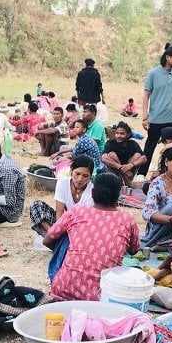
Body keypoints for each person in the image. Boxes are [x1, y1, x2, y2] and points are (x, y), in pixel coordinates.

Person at [44, 173, 140, 301]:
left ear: (92, 192)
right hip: (101, 297)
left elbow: (47, 240)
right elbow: (134, 250)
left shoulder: (77, 211)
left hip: (64, 289)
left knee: (66, 237)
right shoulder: (127, 219)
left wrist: (67, 251)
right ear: (118, 196)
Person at [140, 44, 172, 175]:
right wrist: (144, 117)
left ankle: (169, 174)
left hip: (171, 119)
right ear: (167, 57)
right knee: (149, 148)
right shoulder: (153, 73)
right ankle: (141, 174)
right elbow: (146, 95)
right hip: (155, 118)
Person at [29, 154, 95, 235]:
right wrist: (58, 230)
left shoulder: (92, 190)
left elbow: (86, 218)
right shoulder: (63, 183)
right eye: (77, 174)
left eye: (85, 176)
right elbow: (59, 214)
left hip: (82, 227)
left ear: (90, 177)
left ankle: (59, 240)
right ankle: (53, 235)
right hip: (65, 222)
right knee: (36, 206)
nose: (80, 179)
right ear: (71, 172)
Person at [101, 122, 147, 188]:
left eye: (122, 133)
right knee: (111, 155)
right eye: (117, 133)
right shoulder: (110, 143)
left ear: (128, 135)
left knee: (138, 155)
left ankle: (126, 181)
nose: (118, 136)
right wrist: (120, 167)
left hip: (129, 172)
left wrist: (130, 165)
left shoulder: (133, 144)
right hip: (115, 172)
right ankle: (127, 182)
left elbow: (144, 158)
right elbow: (103, 158)